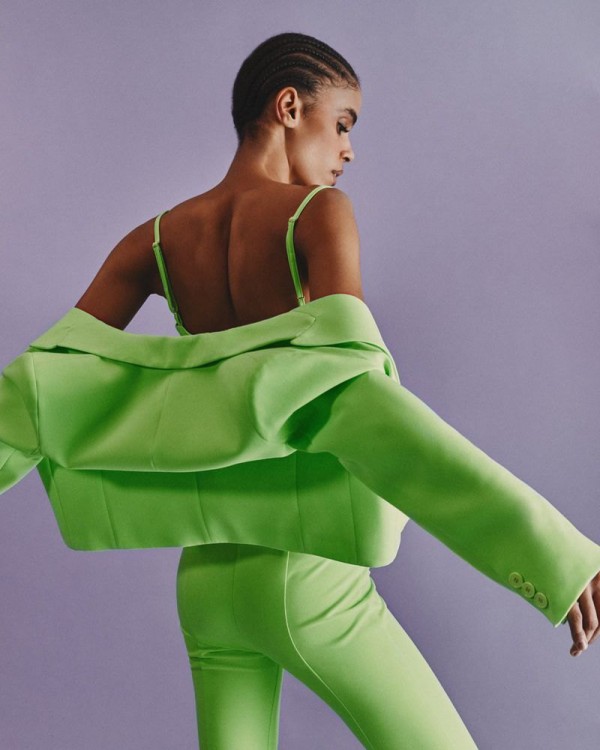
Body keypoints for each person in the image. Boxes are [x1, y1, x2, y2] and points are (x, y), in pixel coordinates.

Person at [1, 32, 599, 749]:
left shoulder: (153, 240)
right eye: (342, 124)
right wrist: (556, 559)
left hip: (204, 580)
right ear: (289, 107)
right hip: (305, 576)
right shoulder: (318, 213)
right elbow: (354, 397)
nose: (349, 151)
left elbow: (47, 378)